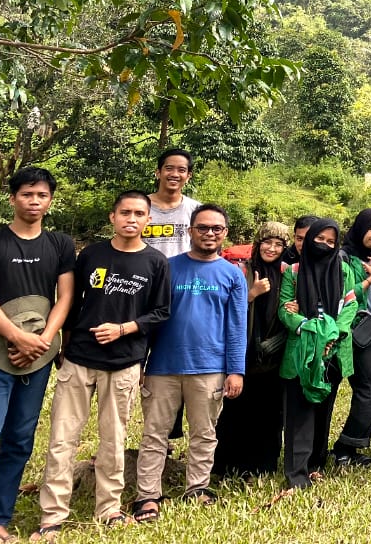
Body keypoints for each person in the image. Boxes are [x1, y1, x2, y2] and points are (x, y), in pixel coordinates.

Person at [34, 192, 171, 538]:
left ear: (148, 220)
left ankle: (108, 508)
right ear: (112, 217)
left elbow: (161, 312)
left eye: (139, 213)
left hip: (123, 362)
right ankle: (52, 514)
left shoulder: (156, 262)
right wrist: (65, 342)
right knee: (62, 438)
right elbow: (71, 301)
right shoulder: (92, 255)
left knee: (113, 439)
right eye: (125, 212)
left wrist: (124, 329)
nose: (131, 219)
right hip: (79, 358)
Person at [0, 167, 74, 543]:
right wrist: (17, 336)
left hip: (38, 357)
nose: (34, 201)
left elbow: (65, 296)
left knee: (19, 440)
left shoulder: (60, 244)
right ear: (12, 198)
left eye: (42, 195)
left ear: (50, 201)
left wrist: (43, 340)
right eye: (27, 194)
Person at [133, 204, 246, 521]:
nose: (209, 233)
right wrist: (141, 363)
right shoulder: (167, 268)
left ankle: (197, 488)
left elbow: (237, 327)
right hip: (162, 366)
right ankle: (148, 496)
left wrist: (236, 370)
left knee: (204, 433)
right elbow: (150, 319)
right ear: (190, 231)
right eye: (203, 227)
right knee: (154, 434)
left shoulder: (232, 275)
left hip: (210, 367)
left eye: (216, 228)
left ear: (225, 233)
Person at [277, 218, 358, 491]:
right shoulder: (293, 272)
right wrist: (311, 329)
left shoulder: (343, 270)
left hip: (333, 350)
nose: (324, 244)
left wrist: (333, 334)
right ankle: (297, 472)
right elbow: (284, 309)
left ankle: (316, 464)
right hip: (302, 351)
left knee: (324, 409)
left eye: (331, 241)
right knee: (299, 412)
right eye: (319, 239)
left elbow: (351, 305)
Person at [212, 220, 291, 478]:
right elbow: (225, 310)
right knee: (236, 411)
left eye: (278, 244)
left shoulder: (287, 273)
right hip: (242, 353)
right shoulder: (240, 271)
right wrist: (251, 294)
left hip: (274, 355)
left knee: (269, 413)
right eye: (267, 242)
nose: (272, 248)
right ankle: (226, 464)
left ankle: (262, 465)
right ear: (258, 243)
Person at [331, 209, 371, 467]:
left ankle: (348, 447)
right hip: (349, 333)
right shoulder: (342, 257)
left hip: (369, 333)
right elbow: (342, 295)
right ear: (360, 228)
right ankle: (344, 448)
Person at [146, 148, 200, 260]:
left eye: (181, 170)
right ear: (158, 173)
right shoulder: (139, 206)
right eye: (169, 168)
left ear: (188, 176)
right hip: (144, 269)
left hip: (184, 269)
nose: (175, 174)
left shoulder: (197, 210)